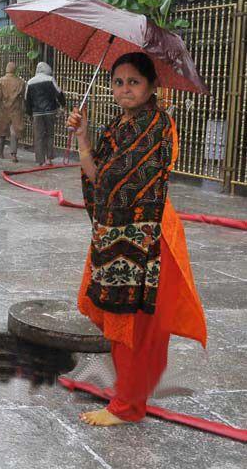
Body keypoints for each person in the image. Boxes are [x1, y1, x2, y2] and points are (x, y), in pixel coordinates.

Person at [68, 52, 206, 427]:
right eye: (117, 82)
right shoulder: (118, 125)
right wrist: (84, 138)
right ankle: (129, 398)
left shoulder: (156, 125)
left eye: (133, 82)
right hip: (117, 234)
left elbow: (117, 180)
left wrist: (99, 165)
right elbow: (98, 177)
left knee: (135, 325)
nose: (124, 89)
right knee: (121, 321)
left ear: (150, 86)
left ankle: (127, 407)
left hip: (146, 238)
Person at [25, 61, 66, 165]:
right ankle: (49, 159)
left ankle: (40, 161)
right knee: (50, 135)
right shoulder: (50, 79)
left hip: (36, 113)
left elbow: (27, 100)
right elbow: (59, 93)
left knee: (38, 137)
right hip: (50, 112)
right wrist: (63, 105)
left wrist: (29, 114)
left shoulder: (30, 82)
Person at [0, 61, 26, 162]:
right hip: (16, 110)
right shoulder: (21, 82)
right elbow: (23, 98)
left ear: (7, 69)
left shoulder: (1, 81)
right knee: (14, 132)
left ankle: (0, 153)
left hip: (3, 110)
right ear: (15, 70)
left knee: (1, 131)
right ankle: (14, 155)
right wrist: (24, 110)